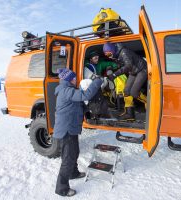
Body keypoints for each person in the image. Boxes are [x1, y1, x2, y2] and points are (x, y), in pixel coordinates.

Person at [53, 68, 102, 197]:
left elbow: (77, 104)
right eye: (74, 78)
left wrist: (88, 108)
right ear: (69, 79)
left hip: (71, 128)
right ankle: (61, 188)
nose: (76, 80)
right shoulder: (66, 90)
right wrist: (97, 82)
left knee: (74, 153)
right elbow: (84, 95)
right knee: (68, 159)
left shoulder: (69, 90)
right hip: (66, 130)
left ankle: (73, 173)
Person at [103, 42, 147, 121]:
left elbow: (128, 66)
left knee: (134, 92)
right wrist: (113, 69)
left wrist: (114, 75)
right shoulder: (116, 55)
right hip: (133, 71)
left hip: (142, 70)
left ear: (112, 50)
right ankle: (129, 114)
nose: (109, 57)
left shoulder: (124, 52)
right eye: (107, 55)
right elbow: (123, 65)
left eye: (109, 54)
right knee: (126, 91)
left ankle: (149, 104)